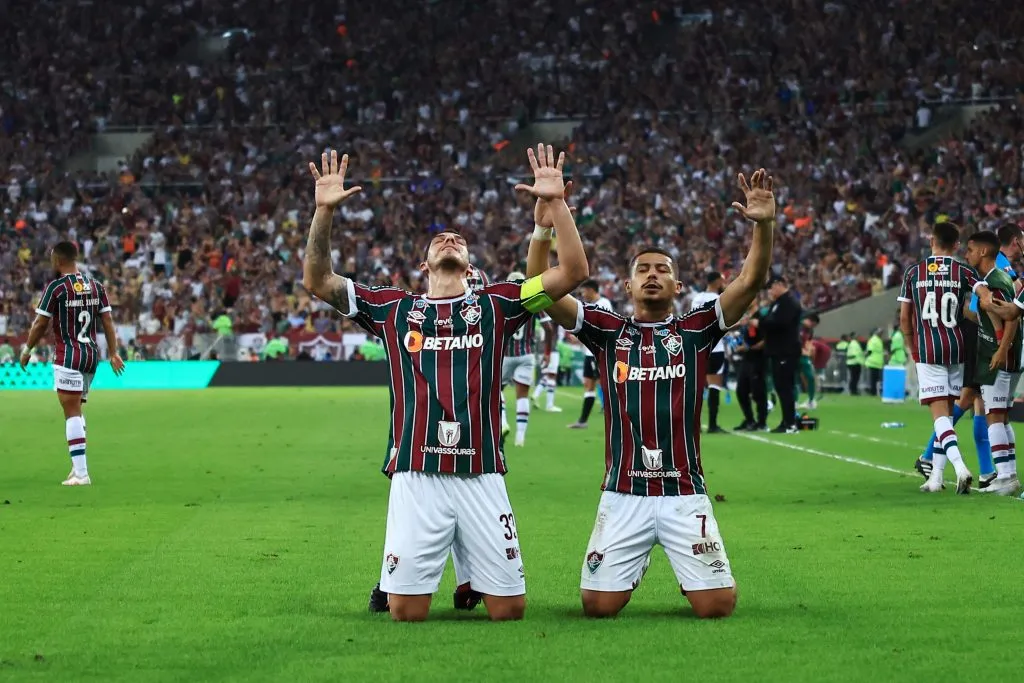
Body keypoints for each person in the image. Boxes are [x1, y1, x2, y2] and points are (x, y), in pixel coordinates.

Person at [302, 146, 588, 622]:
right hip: (417, 472)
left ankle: (468, 566)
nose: (449, 240)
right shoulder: (393, 309)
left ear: (471, 266)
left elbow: (574, 272)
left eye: (458, 239)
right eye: (440, 240)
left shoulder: (499, 305)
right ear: (424, 265)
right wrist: (323, 212)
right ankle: (420, 573)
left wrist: (555, 205)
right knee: (407, 614)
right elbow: (317, 278)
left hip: (481, 470)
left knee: (510, 611)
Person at [527, 168, 776, 619]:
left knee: (717, 606)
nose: (653, 275)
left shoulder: (696, 329)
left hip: (684, 492)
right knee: (598, 607)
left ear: (678, 287)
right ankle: (634, 561)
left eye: (663, 269)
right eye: (643, 270)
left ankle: (686, 566)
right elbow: (539, 293)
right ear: (628, 286)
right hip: (623, 492)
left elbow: (749, 284)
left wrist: (763, 225)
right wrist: (547, 223)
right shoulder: (606, 331)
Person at [19, 241, 125, 486]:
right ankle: (77, 468)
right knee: (77, 409)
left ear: (57, 260)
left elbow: (40, 324)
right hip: (90, 356)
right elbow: (107, 321)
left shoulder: (56, 288)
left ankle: (81, 472)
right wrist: (114, 353)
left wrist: (27, 349)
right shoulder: (96, 286)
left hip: (68, 355)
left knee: (71, 413)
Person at [897, 221, 980, 494]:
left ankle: (960, 468)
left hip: (928, 348)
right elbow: (979, 304)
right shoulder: (965, 271)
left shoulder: (913, 272)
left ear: (931, 240)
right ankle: (936, 478)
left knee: (939, 416)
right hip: (956, 347)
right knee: (946, 409)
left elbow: (904, 319)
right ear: (957, 245)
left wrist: (913, 348)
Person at [965, 231, 1022, 496]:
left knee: (994, 415)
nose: (967, 255)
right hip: (1003, 353)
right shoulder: (992, 279)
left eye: (970, 250)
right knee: (1001, 414)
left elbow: (1012, 318)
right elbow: (992, 315)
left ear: (983, 252)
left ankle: (1006, 477)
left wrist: (1001, 349)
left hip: (999, 355)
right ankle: (1007, 474)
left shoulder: (996, 280)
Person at [500, 271, 555, 447]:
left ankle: (503, 423)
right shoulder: (533, 301)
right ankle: (520, 438)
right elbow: (548, 328)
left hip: (506, 355)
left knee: (495, 392)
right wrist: (547, 353)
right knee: (522, 396)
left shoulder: (501, 303)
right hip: (526, 354)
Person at [568, 279, 613, 429]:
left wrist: (582, 337)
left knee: (605, 384)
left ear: (592, 290)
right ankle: (583, 421)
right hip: (589, 352)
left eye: (584, 291)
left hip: (599, 351)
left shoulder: (604, 304)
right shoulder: (587, 306)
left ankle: (619, 417)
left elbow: (605, 329)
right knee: (589, 384)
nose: (582, 294)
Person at [761, 274, 802, 433]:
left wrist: (762, 323)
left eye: (771, 287)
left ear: (779, 284)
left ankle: (790, 423)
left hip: (786, 350)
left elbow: (779, 322)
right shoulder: (779, 303)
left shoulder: (789, 303)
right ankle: (786, 421)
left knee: (785, 387)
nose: (770, 291)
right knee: (781, 387)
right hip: (778, 350)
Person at [689, 272, 728, 433]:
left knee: (694, 386)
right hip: (715, 347)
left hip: (698, 347)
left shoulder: (697, 298)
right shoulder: (719, 299)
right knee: (714, 385)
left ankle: (690, 425)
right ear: (718, 281)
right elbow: (722, 323)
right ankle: (712, 424)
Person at [733, 305, 768, 431]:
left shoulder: (762, 317)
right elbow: (747, 337)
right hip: (747, 358)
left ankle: (762, 422)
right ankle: (749, 420)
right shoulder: (747, 317)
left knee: (758, 391)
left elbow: (766, 338)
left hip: (758, 358)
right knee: (741, 391)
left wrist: (749, 348)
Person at [797, 313, 820, 410]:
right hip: (794, 354)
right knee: (793, 378)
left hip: (803, 356)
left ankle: (811, 400)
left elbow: (808, 342)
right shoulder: (797, 326)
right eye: (814, 325)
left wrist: (809, 350)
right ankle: (794, 401)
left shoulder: (810, 330)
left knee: (810, 377)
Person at [864, 328, 886, 396]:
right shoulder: (874, 340)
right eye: (880, 332)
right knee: (874, 380)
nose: (881, 334)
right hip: (873, 363)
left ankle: (875, 392)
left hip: (877, 363)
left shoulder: (877, 339)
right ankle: (873, 393)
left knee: (876, 380)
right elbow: (870, 351)